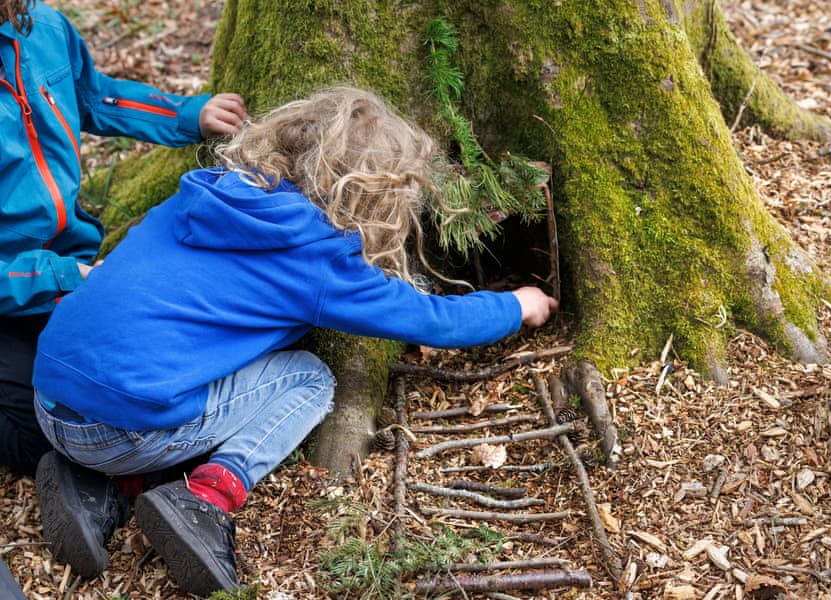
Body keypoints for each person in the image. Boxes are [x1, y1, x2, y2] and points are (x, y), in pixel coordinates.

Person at [32, 86, 558, 596]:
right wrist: (515, 305)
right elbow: (431, 319)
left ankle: (102, 485)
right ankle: (206, 498)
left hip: (50, 391)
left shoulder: (208, 191)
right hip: (121, 427)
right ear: (373, 194)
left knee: (163, 372)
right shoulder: (318, 259)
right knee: (307, 378)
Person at [1, 0, 247, 579]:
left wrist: (189, 115)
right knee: (30, 420)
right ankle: (99, 483)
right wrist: (60, 277)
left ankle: (127, 480)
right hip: (20, 286)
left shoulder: (41, 27)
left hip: (69, 265)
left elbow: (93, 95)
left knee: (127, 377)